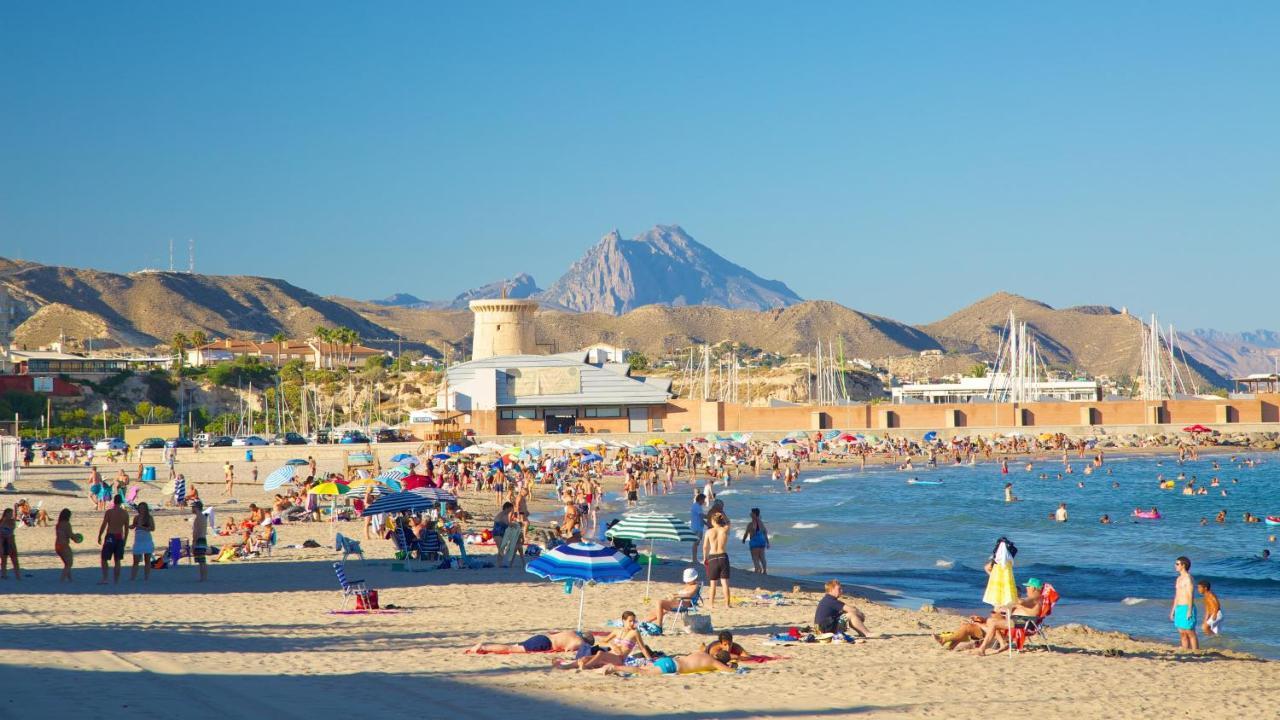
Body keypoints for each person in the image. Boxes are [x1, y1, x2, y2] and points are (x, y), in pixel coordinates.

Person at [603, 650, 736, 676]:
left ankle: (618, 668)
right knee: (642, 672)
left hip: (669, 660)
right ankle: (615, 668)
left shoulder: (703, 653)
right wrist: (731, 666)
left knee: (642, 668)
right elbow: (729, 671)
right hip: (672, 666)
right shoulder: (713, 662)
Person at [469, 630, 589, 655]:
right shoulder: (580, 642)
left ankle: (487, 645)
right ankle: (483, 647)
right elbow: (569, 649)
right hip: (545, 643)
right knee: (510, 649)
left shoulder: (572, 632)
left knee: (514, 646)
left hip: (543, 636)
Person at [97, 495, 130, 585]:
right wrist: (125, 540)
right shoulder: (125, 513)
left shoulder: (109, 512)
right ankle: (116, 580)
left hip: (111, 536)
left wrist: (100, 535)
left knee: (104, 558)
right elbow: (126, 529)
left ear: (114, 501)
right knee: (117, 560)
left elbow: (104, 525)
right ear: (121, 502)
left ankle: (105, 578)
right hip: (119, 536)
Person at [702, 513, 732, 609]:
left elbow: (705, 546)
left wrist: (705, 557)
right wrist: (723, 515)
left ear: (713, 521)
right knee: (725, 583)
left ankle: (711, 604)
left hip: (713, 557)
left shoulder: (709, 532)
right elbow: (729, 522)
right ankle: (727, 604)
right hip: (723, 556)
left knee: (713, 584)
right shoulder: (725, 529)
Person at [1171, 556, 1198, 650]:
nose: (1175, 566)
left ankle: (1196, 652)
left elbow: (1191, 595)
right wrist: (1173, 610)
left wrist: (1189, 611)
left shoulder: (1188, 578)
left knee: (1190, 632)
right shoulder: (1179, 579)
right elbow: (1177, 595)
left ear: (1183, 565)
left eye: (1177, 564)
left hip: (1187, 607)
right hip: (1179, 607)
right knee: (1182, 632)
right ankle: (1185, 650)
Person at [130, 502, 156, 581]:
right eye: (140, 508)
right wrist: (127, 525)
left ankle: (146, 577)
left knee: (147, 560)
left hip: (147, 540)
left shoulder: (149, 518)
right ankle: (133, 577)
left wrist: (142, 527)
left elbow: (152, 528)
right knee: (135, 560)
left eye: (143, 508)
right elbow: (133, 526)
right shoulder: (136, 517)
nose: (141, 510)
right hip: (138, 540)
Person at [743, 507, 769, 574]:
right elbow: (765, 533)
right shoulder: (761, 523)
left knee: (755, 557)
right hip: (762, 541)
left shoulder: (751, 524)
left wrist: (744, 539)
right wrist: (768, 542)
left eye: (751, 513)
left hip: (755, 541)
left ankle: (757, 569)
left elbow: (747, 533)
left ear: (754, 514)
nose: (750, 514)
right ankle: (765, 570)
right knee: (762, 557)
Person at [55, 508, 76, 581]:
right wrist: (76, 538)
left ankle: (70, 579)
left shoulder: (58, 524)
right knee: (69, 563)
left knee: (66, 563)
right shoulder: (67, 524)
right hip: (64, 546)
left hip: (57, 546)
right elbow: (70, 535)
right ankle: (62, 579)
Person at [192, 500, 209, 582]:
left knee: (201, 561)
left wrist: (193, 542)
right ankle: (204, 577)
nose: (192, 509)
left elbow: (196, 532)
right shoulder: (203, 517)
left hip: (199, 540)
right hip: (203, 539)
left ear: (196, 508)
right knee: (203, 560)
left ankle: (203, 578)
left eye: (193, 507)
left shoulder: (198, 518)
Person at [0, 508, 19, 581]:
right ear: (6, 514)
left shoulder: (11, 521)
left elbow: (11, 528)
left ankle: (18, 576)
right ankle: (4, 575)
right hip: (3, 541)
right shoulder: (1, 521)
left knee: (14, 559)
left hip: (10, 541)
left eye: (11, 513)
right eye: (10, 513)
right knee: (4, 559)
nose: (11, 515)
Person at [690, 493, 706, 564]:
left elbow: (700, 518)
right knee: (696, 543)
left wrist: (707, 524)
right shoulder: (697, 506)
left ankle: (694, 559)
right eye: (703, 500)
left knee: (696, 543)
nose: (704, 501)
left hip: (696, 526)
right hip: (697, 527)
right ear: (700, 499)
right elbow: (702, 515)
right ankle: (694, 559)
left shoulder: (696, 506)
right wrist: (711, 516)